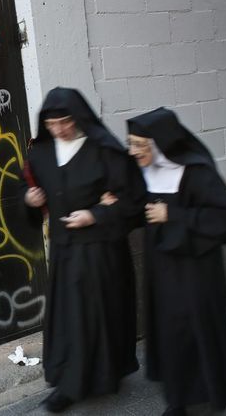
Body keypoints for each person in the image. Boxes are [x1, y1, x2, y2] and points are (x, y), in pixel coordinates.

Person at [21, 88, 145, 413]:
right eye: (52, 124)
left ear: (78, 118)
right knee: (71, 319)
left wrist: (96, 214)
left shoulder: (104, 151)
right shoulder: (41, 154)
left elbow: (132, 199)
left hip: (103, 252)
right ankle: (69, 384)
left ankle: (108, 373)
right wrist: (30, 200)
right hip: (64, 252)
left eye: (65, 122)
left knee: (104, 314)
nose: (59, 130)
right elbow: (23, 188)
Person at [126, 108, 226, 416]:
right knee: (180, 327)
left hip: (196, 268)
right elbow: (140, 211)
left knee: (192, 326)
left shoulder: (196, 171)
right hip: (162, 267)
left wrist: (173, 215)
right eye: (131, 143)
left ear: (159, 144)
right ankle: (199, 384)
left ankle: (186, 398)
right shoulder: (146, 170)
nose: (133, 151)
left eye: (140, 145)